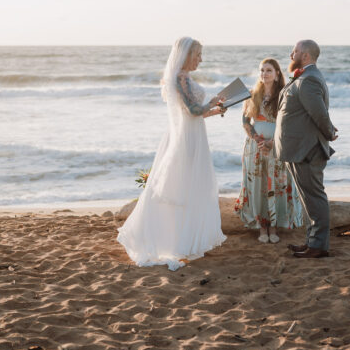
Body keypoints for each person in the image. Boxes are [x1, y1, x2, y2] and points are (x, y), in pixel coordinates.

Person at [116, 37, 227, 270]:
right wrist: (213, 100)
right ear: (186, 55)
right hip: (186, 139)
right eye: (198, 55)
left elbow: (193, 115)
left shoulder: (184, 78)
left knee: (189, 187)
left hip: (193, 134)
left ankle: (182, 242)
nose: (200, 59)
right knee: (181, 187)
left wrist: (216, 110)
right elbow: (194, 109)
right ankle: (177, 243)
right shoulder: (179, 78)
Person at [274, 40, 338, 259]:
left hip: (307, 149)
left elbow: (319, 113)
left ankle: (318, 246)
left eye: (296, 51)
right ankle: (312, 242)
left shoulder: (309, 79)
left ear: (307, 56)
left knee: (314, 197)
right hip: (298, 148)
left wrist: (329, 132)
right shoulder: (304, 77)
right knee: (307, 199)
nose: (291, 54)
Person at [235, 58, 304, 243]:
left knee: (276, 185)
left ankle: (274, 225)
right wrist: (258, 139)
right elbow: (245, 122)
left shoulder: (284, 95)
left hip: (277, 146)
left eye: (269, 70)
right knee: (257, 186)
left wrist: (273, 142)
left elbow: (289, 124)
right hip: (254, 147)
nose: (264, 74)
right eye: (262, 70)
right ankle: (262, 226)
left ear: (277, 74)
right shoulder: (251, 95)